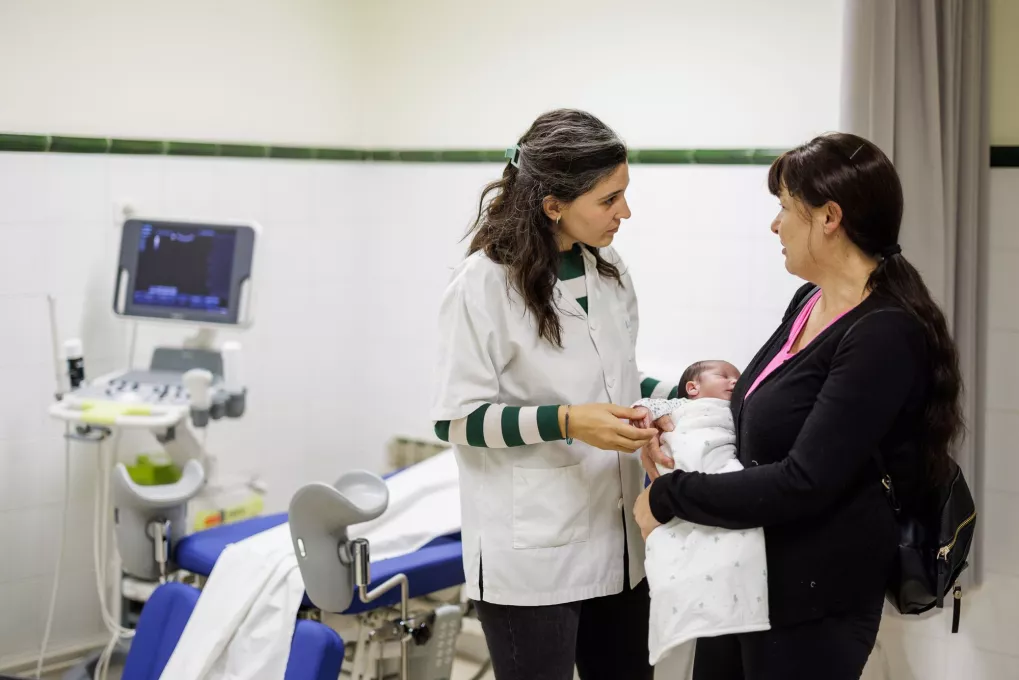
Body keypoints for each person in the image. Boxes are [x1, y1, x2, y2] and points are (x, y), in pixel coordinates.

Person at [633, 132, 964, 680]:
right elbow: (757, 414)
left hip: (814, 599)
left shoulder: (883, 333)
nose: (775, 224)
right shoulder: (810, 301)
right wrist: (678, 430)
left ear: (829, 217)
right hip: (750, 577)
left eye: (785, 208)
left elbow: (804, 480)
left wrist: (671, 496)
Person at [430, 109, 674, 680]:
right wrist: (566, 421)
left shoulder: (608, 269)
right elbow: (457, 420)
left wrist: (684, 398)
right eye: (609, 200)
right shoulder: (483, 284)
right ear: (554, 205)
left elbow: (616, 379)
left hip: (617, 543)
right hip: (531, 556)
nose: (625, 212)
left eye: (624, 195)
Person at [632, 360, 770, 673]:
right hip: (685, 469)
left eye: (738, 377)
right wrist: (647, 414)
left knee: (741, 541)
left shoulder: (741, 409)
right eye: (724, 376)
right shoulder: (678, 406)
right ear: (693, 388)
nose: (734, 382)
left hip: (724, 472)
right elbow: (643, 407)